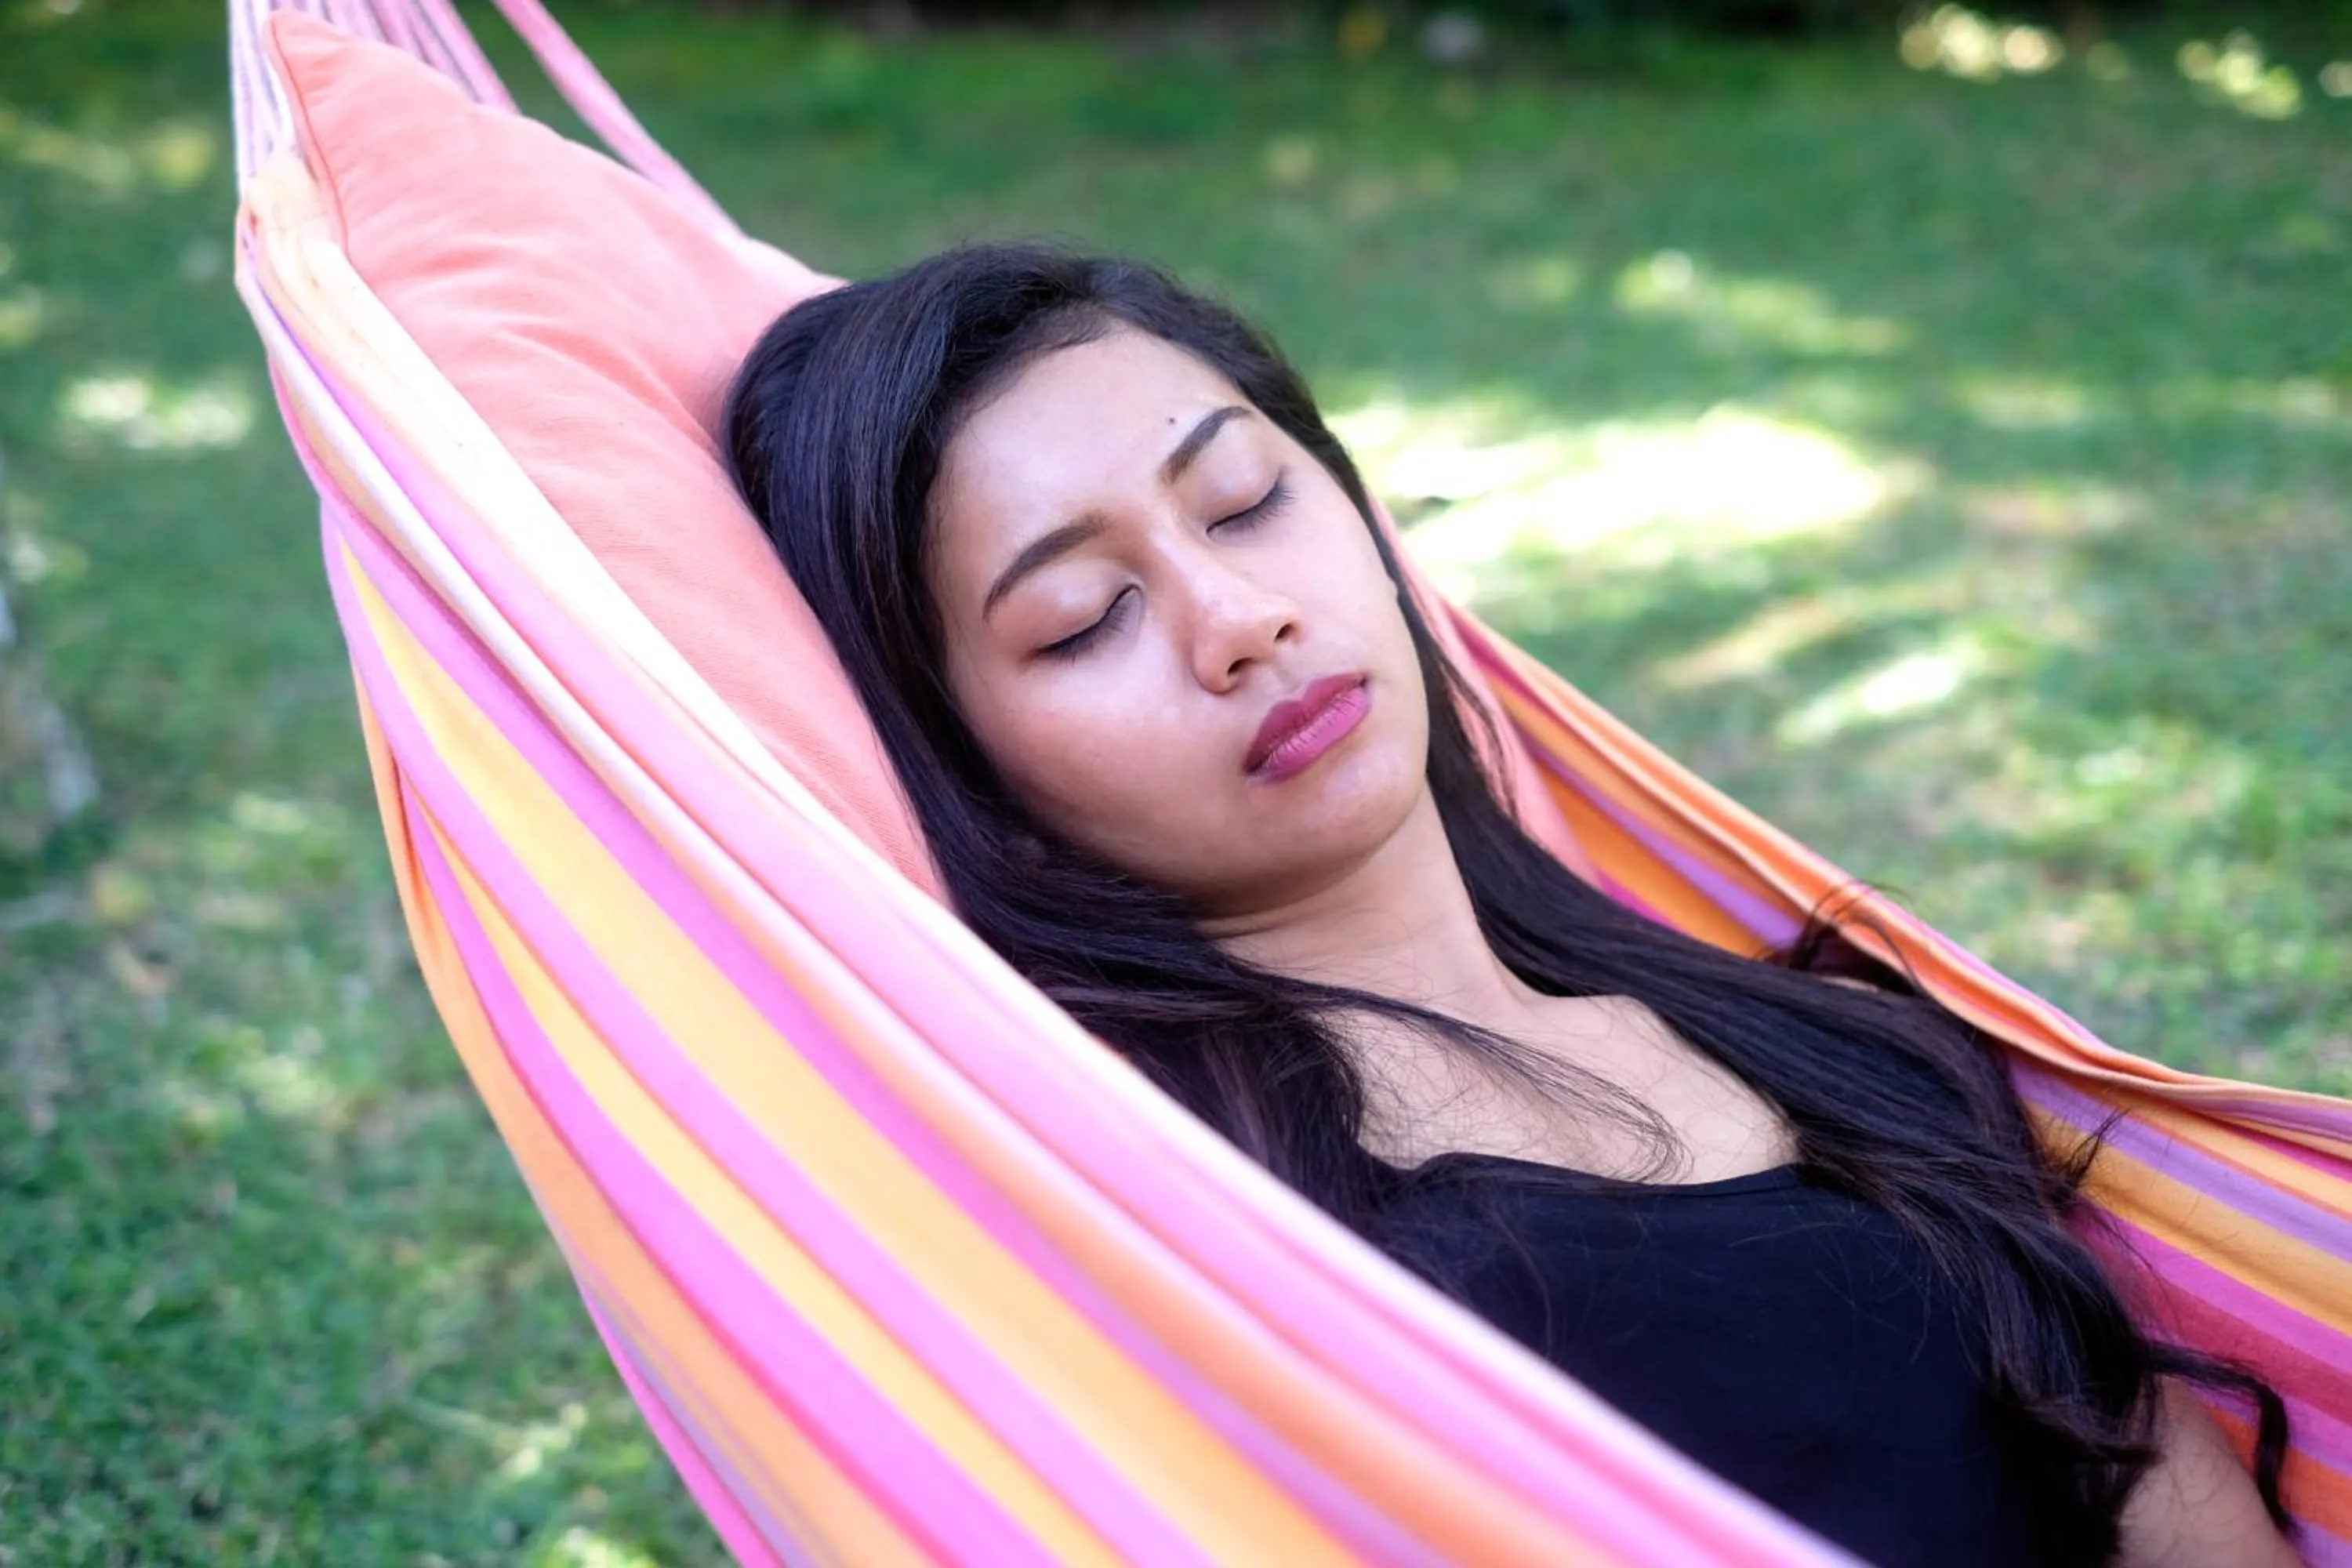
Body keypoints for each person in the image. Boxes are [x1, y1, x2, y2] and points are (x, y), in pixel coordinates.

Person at [724, 243, 2294, 1566]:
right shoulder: (1203, 1258)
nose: (1240, 619)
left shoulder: (1836, 1041)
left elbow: (2145, 1478)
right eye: (1083, 620)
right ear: (964, 764)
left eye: (1247, 500)